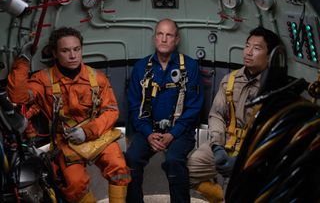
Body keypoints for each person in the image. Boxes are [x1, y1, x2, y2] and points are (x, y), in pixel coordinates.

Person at [7, 27, 131, 202]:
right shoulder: (44, 80)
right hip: (65, 141)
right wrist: (23, 61)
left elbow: (111, 111)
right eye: (65, 51)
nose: (73, 55)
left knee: (119, 169)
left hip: (97, 135)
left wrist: (87, 131)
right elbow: (17, 96)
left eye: (76, 49)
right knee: (74, 186)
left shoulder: (97, 78)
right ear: (55, 54)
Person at [187, 26, 287, 203]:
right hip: (225, 142)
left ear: (269, 55)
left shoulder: (275, 88)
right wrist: (217, 147)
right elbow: (216, 114)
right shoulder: (230, 80)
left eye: (256, 48)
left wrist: (244, 159)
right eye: (247, 46)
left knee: (240, 190)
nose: (248, 52)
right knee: (191, 167)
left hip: (253, 151)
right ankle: (219, 199)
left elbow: (272, 133)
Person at [125, 18, 204, 203]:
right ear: (155, 38)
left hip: (180, 131)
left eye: (169, 35)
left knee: (174, 161)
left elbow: (194, 106)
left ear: (176, 40)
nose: (164, 39)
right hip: (148, 130)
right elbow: (135, 106)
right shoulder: (141, 68)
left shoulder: (190, 67)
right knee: (131, 159)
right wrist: (148, 133)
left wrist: (173, 134)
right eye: (160, 34)